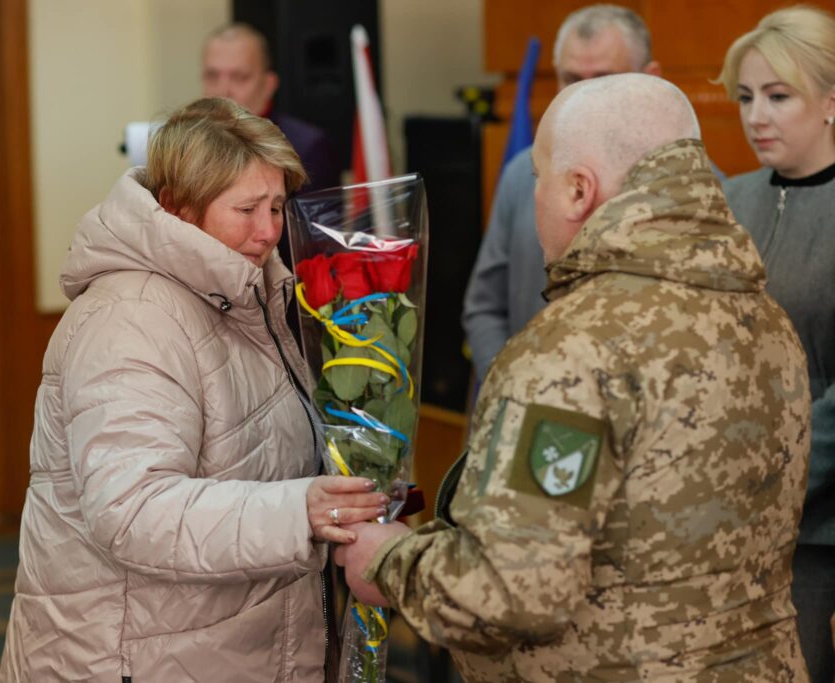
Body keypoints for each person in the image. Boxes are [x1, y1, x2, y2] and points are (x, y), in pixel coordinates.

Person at [335, 74, 812, 680]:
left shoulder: (574, 349)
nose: (534, 195)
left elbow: (510, 592)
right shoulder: (767, 318)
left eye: (539, 177)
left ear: (579, 190)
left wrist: (388, 561)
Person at [0, 98, 388, 682]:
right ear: (179, 208)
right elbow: (132, 511)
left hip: (212, 645)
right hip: (132, 656)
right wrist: (300, 511)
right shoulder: (132, 319)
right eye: (247, 208)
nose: (269, 230)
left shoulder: (247, 294)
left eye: (278, 207)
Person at [717, 8, 835, 680]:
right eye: (746, 96)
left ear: (830, 102)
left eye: (778, 95)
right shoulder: (731, 200)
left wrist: (773, 483)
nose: (756, 115)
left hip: (816, 531)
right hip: (720, 514)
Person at [462, 4, 661, 382]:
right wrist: (509, 381)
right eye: (571, 79)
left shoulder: (688, 184)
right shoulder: (522, 174)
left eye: (602, 80)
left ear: (650, 78)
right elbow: (483, 306)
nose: (582, 96)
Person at [202, 23, 341, 194]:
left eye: (239, 77)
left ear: (269, 85)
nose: (222, 90)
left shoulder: (307, 149)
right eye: (212, 76)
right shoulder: (189, 148)